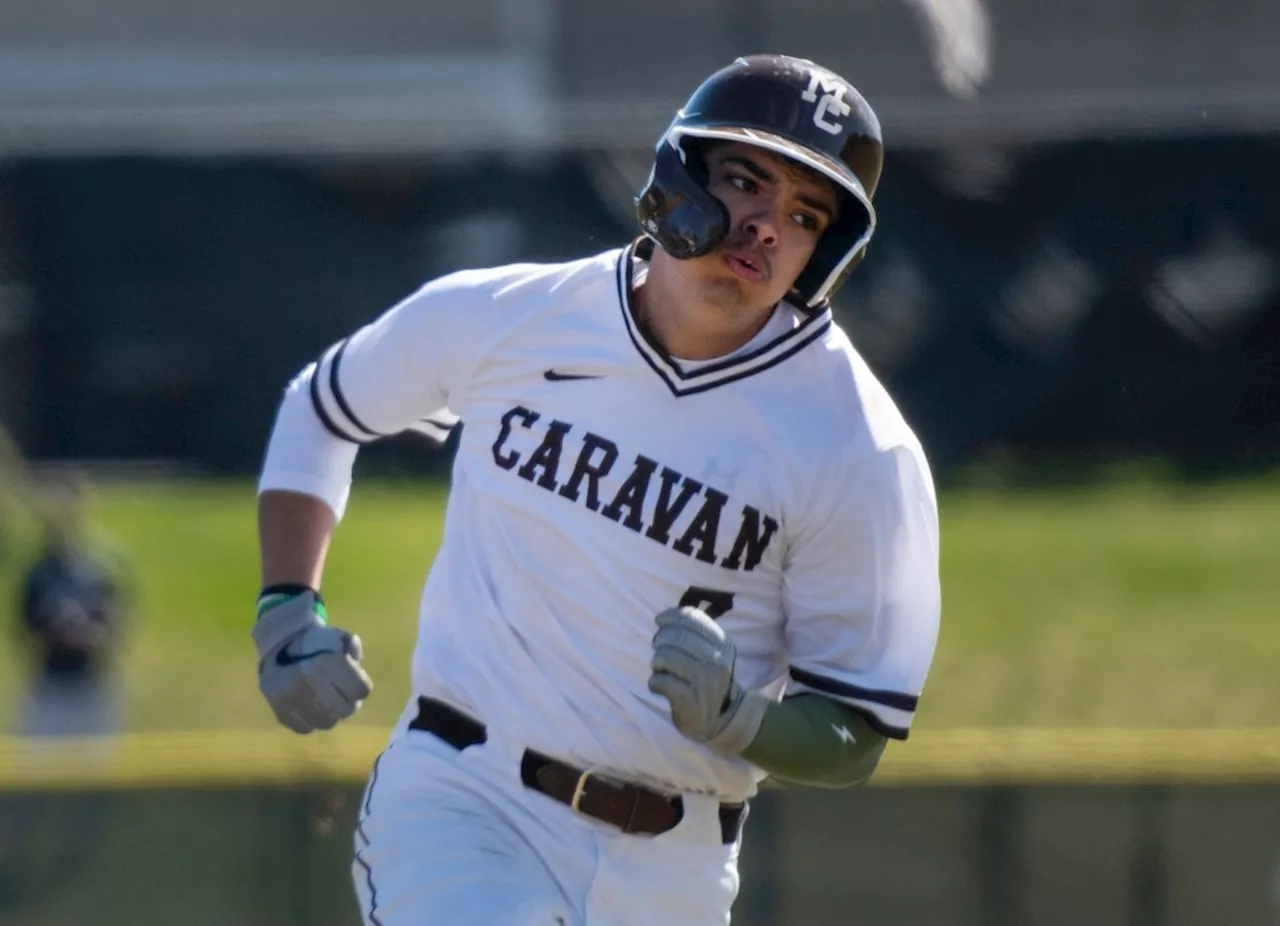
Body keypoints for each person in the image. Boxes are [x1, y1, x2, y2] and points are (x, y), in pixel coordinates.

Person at [253, 54, 941, 926]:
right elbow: (322, 408)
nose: (767, 226)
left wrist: (738, 720)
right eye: (744, 179)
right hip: (466, 799)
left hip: (679, 871)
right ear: (675, 173)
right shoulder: (509, 316)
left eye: (805, 214)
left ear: (827, 254)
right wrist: (286, 609)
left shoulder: (861, 449)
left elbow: (855, 731)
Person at [15, 471, 127, 740]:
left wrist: (91, 636)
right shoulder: (36, 574)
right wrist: (58, 636)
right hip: (49, 688)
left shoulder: (99, 571)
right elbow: (24, 632)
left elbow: (116, 626)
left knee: (96, 773)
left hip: (90, 687)